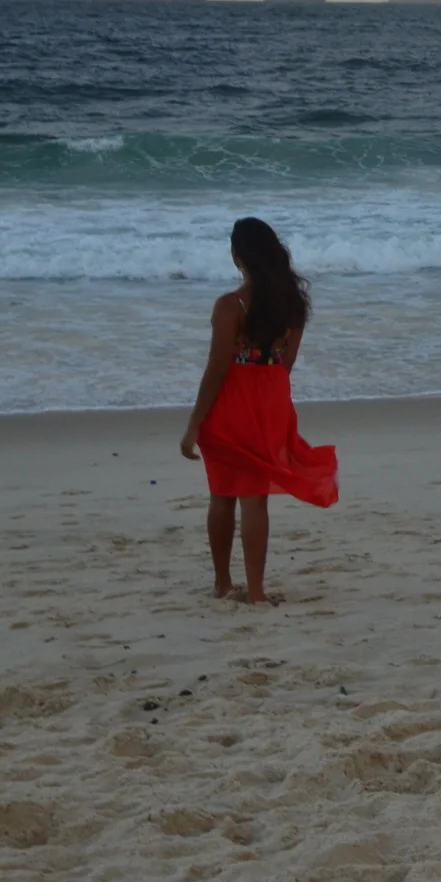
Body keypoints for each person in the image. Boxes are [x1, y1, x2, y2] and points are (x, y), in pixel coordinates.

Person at [179, 218, 338, 602]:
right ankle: (256, 592)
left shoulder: (229, 306)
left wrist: (193, 425)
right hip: (270, 404)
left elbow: (217, 369)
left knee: (222, 495)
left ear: (239, 257)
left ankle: (222, 584)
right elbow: (288, 361)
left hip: (231, 404)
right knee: (255, 499)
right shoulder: (292, 305)